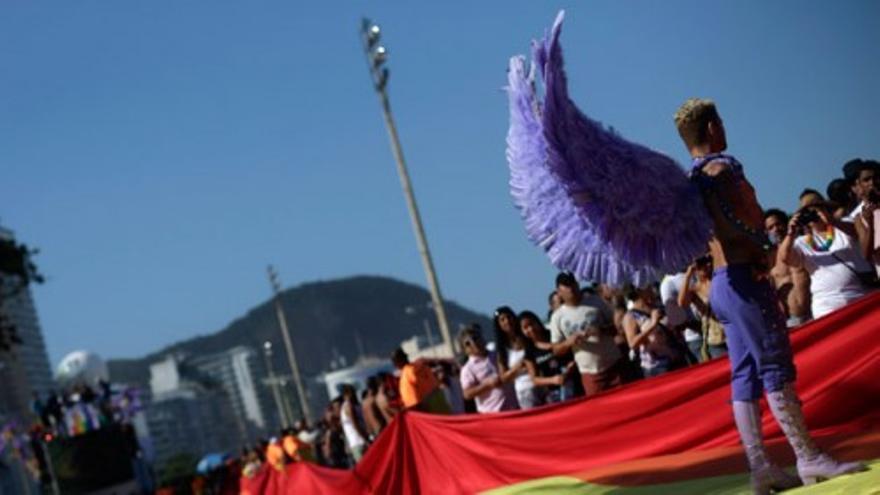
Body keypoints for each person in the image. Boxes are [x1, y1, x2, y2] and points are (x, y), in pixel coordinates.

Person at [676, 97, 863, 491]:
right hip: (744, 278)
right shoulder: (723, 169)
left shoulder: (691, 182)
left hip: (723, 285)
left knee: (743, 375)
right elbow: (742, 221)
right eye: (720, 122)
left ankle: (760, 468)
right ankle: (808, 456)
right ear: (712, 129)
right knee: (774, 365)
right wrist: (762, 248)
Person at [777, 195, 873, 319]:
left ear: (826, 209)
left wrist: (832, 222)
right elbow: (785, 258)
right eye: (808, 212)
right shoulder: (801, 242)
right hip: (826, 306)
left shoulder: (844, 225)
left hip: (859, 296)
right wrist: (790, 233)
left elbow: (858, 233)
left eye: (817, 208)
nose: (813, 214)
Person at [549, 272, 625, 396]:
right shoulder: (557, 317)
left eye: (573, 283)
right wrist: (569, 342)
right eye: (566, 285)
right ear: (559, 291)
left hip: (614, 365)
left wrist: (601, 330)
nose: (571, 288)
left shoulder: (595, 301)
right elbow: (556, 349)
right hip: (590, 373)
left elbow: (617, 328)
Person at [623, 286, 687, 377]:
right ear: (639, 291)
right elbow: (632, 343)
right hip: (657, 367)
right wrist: (652, 324)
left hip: (676, 358)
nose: (651, 289)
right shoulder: (631, 316)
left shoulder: (658, 307)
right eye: (647, 287)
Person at [764, 208, 812, 327]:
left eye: (778, 224)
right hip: (791, 321)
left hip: (815, 311)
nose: (776, 229)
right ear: (767, 232)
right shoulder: (770, 258)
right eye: (770, 227)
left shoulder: (804, 246)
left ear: (786, 224)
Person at [519, 310, 578, 403]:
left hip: (575, 385)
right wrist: (553, 380)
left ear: (537, 322)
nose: (530, 329)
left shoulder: (555, 335)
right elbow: (535, 379)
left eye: (531, 324)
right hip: (553, 395)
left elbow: (573, 354)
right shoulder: (529, 352)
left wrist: (569, 370)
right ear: (522, 332)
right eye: (525, 327)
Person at [678, 255, 727, 360]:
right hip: (715, 339)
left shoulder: (719, 280)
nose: (706, 266)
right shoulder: (695, 289)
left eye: (708, 261)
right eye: (701, 264)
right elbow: (682, 302)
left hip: (731, 332)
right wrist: (688, 275)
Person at [458, 325, 515, 413]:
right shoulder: (467, 369)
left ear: (482, 338)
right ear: (465, 350)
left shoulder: (497, 354)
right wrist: (488, 385)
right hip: (493, 413)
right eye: (467, 344)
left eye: (475, 338)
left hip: (514, 407)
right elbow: (467, 394)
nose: (473, 343)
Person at [493, 306, 533, 409]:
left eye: (508, 317)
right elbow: (503, 378)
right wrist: (517, 368)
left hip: (543, 383)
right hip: (524, 391)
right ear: (499, 325)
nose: (507, 321)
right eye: (502, 319)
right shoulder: (502, 350)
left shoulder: (527, 337)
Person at [390, 348, 451, 414]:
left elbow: (413, 405)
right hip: (441, 401)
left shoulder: (406, 377)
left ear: (397, 363)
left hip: (430, 411)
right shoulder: (421, 365)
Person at [339, 385, 369, 463]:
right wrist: (365, 439)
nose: (354, 394)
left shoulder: (352, 405)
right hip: (358, 441)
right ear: (347, 393)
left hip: (359, 441)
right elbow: (355, 424)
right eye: (352, 392)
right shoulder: (348, 406)